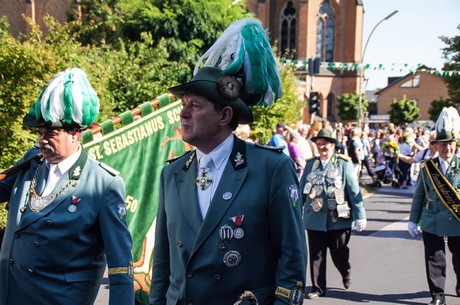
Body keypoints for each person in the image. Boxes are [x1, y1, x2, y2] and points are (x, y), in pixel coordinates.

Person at [149, 18, 307, 305]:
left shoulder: (271, 169)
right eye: (184, 105)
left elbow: (292, 258)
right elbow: (162, 261)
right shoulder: (172, 173)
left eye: (194, 106)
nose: (184, 114)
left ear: (224, 116)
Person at [0, 68, 134, 305]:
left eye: (50, 133)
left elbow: (120, 266)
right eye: (40, 132)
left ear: (75, 133)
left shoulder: (103, 183)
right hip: (11, 294)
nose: (42, 140)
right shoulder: (31, 163)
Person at [300, 129, 367, 300]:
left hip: (338, 220)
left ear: (332, 145)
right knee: (316, 254)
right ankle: (318, 288)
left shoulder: (343, 164)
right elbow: (302, 190)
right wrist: (294, 212)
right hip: (314, 219)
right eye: (319, 144)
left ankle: (345, 270)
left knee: (339, 253)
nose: (322, 147)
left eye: (325, 144)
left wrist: (360, 215)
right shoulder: (311, 164)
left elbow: (353, 191)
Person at [408, 107, 460, 305]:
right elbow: (419, 196)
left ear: (455, 145)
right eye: (443, 144)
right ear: (436, 147)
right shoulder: (428, 168)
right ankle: (437, 295)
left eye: (451, 144)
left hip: (457, 220)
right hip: (433, 220)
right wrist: (413, 220)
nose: (447, 148)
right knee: (434, 260)